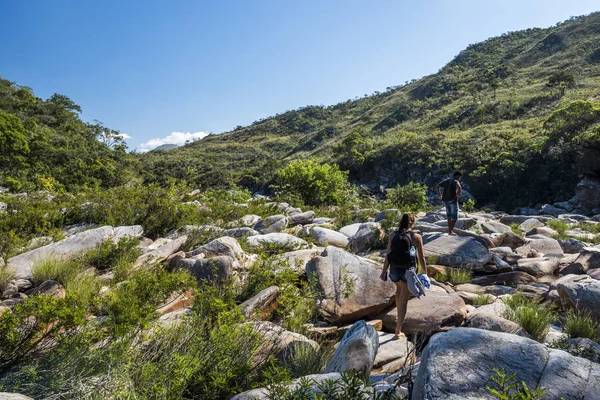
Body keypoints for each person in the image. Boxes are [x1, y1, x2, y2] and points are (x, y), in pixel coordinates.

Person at [380, 213, 428, 340]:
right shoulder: (416, 237)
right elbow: (421, 257)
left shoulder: (393, 235)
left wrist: (384, 271)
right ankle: (398, 331)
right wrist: (425, 272)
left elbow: (387, 254)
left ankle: (398, 314)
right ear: (412, 223)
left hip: (394, 269)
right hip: (408, 271)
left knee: (398, 289)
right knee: (404, 301)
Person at [436, 171, 463, 236]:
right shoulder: (456, 181)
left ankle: (450, 231)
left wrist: (440, 195)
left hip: (446, 200)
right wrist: (458, 194)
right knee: (454, 217)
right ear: (457, 176)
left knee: (449, 216)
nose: (459, 178)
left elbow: (437, 186)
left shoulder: (446, 181)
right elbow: (459, 187)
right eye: (459, 177)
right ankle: (450, 232)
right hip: (453, 200)